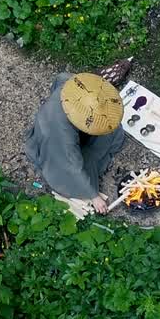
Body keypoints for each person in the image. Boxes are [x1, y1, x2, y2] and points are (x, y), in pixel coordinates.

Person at [25, 72, 126, 214]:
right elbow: (71, 164)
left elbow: (60, 78)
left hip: (57, 122)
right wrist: (93, 196)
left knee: (113, 131)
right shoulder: (62, 134)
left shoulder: (72, 85)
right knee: (76, 172)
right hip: (52, 138)